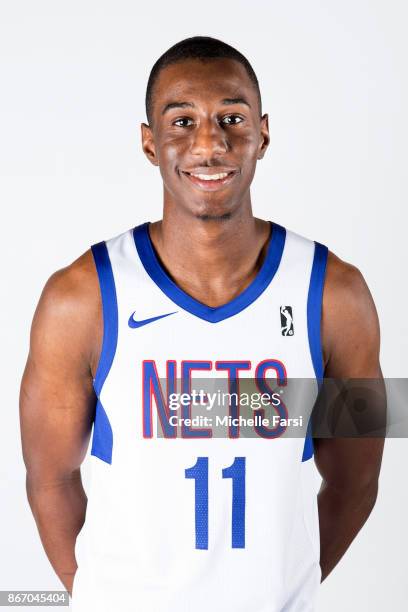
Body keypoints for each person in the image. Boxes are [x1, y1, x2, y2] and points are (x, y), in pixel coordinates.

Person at [20, 36, 384, 611]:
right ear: (149, 142)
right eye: (182, 121)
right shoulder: (80, 298)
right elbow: (49, 477)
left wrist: (286, 592)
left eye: (231, 118)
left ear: (264, 133)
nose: (210, 143)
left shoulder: (337, 295)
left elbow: (357, 481)